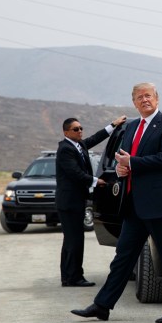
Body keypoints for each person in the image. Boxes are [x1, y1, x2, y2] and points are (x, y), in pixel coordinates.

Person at [71, 82, 162, 323]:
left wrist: (132, 163)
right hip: (133, 204)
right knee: (123, 258)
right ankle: (102, 306)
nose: (144, 100)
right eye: (139, 97)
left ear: (156, 98)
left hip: (159, 204)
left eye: (148, 95)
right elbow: (124, 158)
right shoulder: (132, 126)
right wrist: (120, 169)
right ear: (134, 102)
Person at [56, 115, 126, 287]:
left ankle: (68, 277)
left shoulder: (79, 145)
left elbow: (95, 138)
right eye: (75, 129)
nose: (80, 131)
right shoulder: (65, 149)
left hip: (75, 201)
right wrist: (96, 181)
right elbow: (75, 173)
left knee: (71, 240)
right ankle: (74, 277)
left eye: (81, 128)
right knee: (74, 240)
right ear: (66, 132)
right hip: (69, 203)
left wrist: (113, 125)